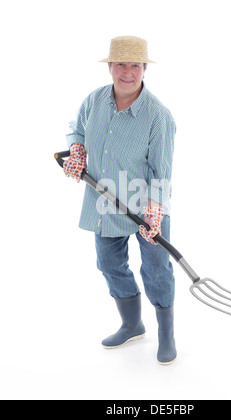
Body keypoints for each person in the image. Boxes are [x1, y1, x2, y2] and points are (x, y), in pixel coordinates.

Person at [63, 36, 177, 365]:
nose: (128, 72)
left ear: (144, 70)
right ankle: (132, 324)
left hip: (146, 205)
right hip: (104, 202)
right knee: (109, 264)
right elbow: (77, 127)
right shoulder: (95, 101)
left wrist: (154, 212)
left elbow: (162, 170)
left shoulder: (158, 116)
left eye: (135, 65)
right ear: (111, 67)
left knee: (156, 271)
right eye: (121, 64)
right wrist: (76, 147)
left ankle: (167, 334)